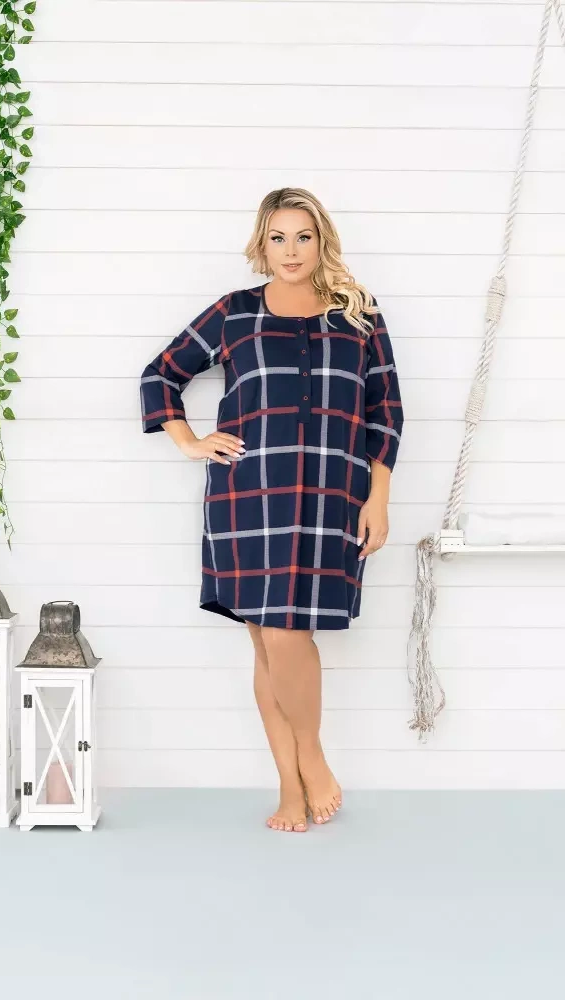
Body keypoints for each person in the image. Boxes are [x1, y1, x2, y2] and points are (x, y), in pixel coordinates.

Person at [139, 187, 403, 833]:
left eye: (303, 236)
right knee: (269, 638)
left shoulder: (359, 314)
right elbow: (161, 374)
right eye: (278, 237)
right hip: (248, 495)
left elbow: (386, 412)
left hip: (332, 498)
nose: (291, 250)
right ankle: (299, 775)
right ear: (262, 242)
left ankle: (301, 771)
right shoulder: (234, 313)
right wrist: (190, 441)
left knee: (282, 638)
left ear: (322, 240)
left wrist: (379, 498)